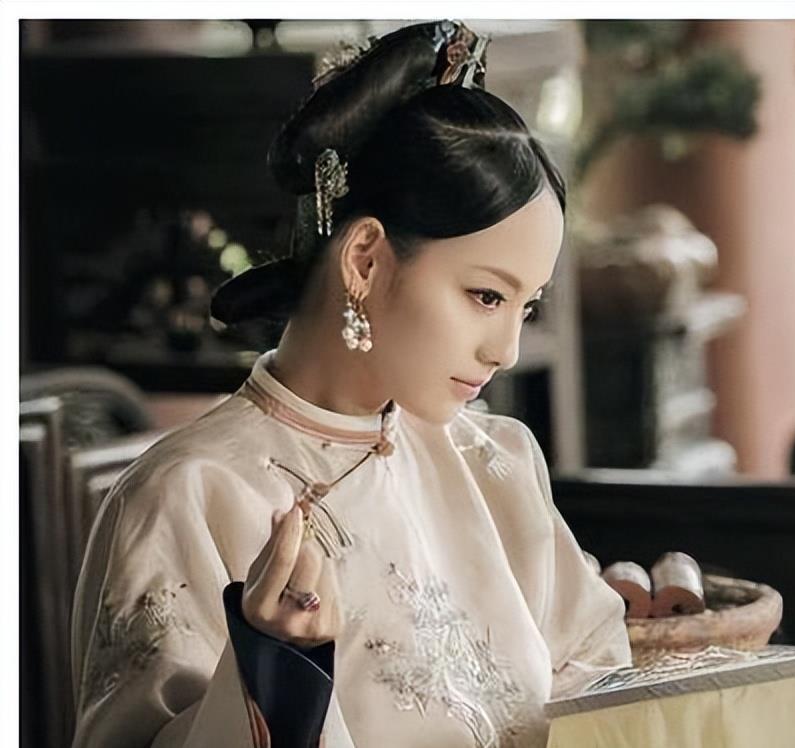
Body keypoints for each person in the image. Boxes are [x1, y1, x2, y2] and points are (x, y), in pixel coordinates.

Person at [69, 20, 631, 748]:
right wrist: (273, 677)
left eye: (526, 306)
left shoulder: (498, 463)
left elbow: (601, 685)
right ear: (365, 259)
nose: (507, 350)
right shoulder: (189, 495)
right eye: (486, 296)